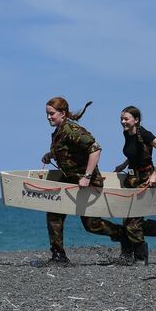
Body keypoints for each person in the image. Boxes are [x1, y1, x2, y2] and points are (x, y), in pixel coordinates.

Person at [39, 97, 125, 265]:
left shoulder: (72, 129)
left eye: (51, 114)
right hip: (69, 181)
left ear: (62, 113)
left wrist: (86, 176)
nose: (49, 117)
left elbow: (95, 149)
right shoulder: (59, 131)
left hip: (87, 183)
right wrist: (50, 155)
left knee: (92, 225)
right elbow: (67, 151)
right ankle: (58, 256)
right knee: (54, 214)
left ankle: (125, 237)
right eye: (47, 114)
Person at [113, 106, 156, 265]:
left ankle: (141, 258)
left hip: (146, 178)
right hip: (132, 178)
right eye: (121, 119)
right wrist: (123, 164)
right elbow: (133, 153)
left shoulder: (144, 134)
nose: (123, 122)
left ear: (136, 120)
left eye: (126, 119)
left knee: (133, 221)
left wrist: (155, 175)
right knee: (127, 219)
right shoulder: (126, 133)